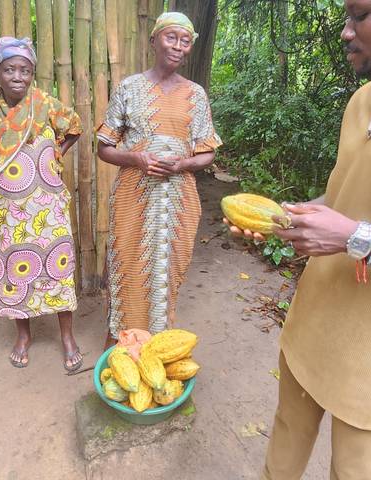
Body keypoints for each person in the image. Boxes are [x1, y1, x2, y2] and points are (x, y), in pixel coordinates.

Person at [226, 1, 371, 477]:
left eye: (361, 15)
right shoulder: (361, 102)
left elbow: (350, 229)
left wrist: (353, 236)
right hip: (315, 317)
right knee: (288, 433)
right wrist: (292, 223)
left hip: (365, 354)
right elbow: (342, 195)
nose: (347, 33)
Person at [0, 37, 83, 371]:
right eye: (9, 69)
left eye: (25, 70)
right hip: (4, 211)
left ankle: (67, 335)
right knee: (13, 269)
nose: (18, 77)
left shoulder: (46, 105)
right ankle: (23, 335)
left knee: (58, 267)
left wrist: (55, 153)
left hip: (47, 205)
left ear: (32, 73)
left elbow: (75, 127)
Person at [97, 12, 222, 349]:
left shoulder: (195, 95)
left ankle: (156, 345)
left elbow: (208, 153)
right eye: (171, 38)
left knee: (166, 270)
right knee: (127, 263)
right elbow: (104, 148)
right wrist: (136, 158)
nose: (178, 47)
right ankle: (118, 342)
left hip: (178, 200)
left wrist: (181, 164)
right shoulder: (129, 87)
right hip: (132, 197)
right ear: (154, 41)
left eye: (185, 41)